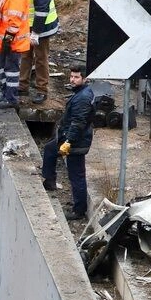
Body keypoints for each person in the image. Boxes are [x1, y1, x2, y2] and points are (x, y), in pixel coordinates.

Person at [42, 64, 94, 221]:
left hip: (77, 141)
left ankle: (79, 211)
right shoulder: (81, 93)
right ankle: (50, 181)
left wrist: (69, 142)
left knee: (76, 175)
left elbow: (78, 122)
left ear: (85, 79)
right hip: (73, 138)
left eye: (76, 77)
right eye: (71, 76)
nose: (72, 80)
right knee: (50, 150)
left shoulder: (83, 98)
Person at [14, 0, 58, 105]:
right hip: (29, 25)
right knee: (25, 55)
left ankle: (42, 90)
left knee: (40, 58)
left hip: (42, 26)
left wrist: (36, 33)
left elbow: (42, 9)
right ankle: (23, 86)